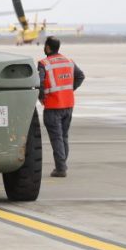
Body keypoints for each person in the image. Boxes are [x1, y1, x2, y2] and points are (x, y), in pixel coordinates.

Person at [37, 36, 84, 178]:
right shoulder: (69, 61)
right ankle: (62, 164)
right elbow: (80, 76)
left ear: (48, 48)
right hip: (68, 104)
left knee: (57, 138)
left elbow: (38, 82)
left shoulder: (44, 63)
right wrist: (69, 90)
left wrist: (41, 97)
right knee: (63, 137)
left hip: (52, 106)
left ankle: (60, 168)